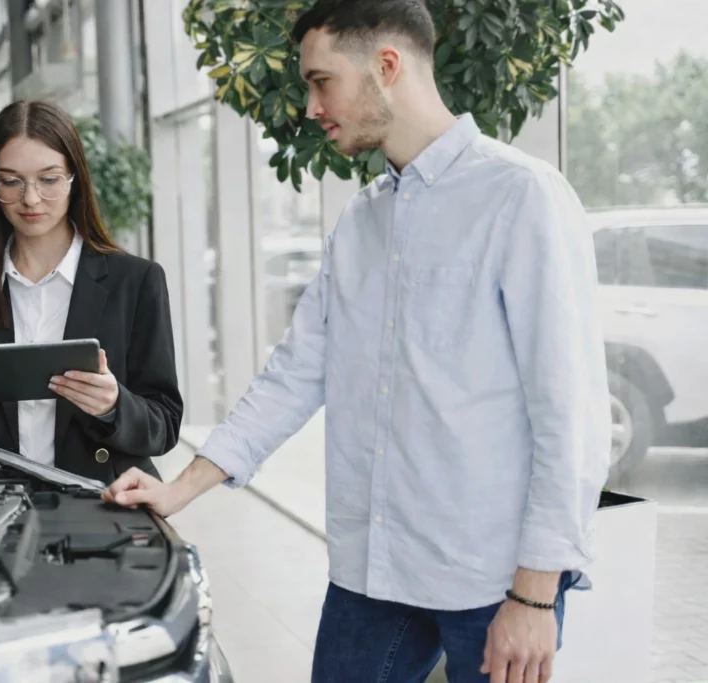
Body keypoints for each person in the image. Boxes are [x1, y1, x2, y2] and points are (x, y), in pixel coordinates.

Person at [102, 1, 611, 682]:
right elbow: (295, 371)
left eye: (320, 80)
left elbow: (569, 413)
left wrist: (535, 591)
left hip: (493, 581)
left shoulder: (521, 198)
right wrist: (181, 490)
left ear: (387, 66)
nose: (311, 105)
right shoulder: (363, 219)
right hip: (376, 569)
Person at [0, 100, 182, 485]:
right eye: (11, 181)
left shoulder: (135, 281)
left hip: (99, 500)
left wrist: (113, 406)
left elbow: (165, 423)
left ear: (75, 179)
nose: (31, 199)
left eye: (49, 179)